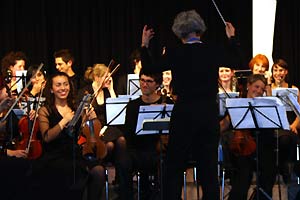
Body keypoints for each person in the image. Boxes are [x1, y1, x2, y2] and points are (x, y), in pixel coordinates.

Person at [140, 9, 240, 199]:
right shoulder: (211, 50)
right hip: (208, 114)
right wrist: (231, 38)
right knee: (208, 168)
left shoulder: (175, 51)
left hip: (184, 113)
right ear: (200, 29)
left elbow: (150, 68)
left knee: (175, 165)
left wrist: (145, 45)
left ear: (179, 32)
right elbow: (236, 60)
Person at [35, 71, 106, 200]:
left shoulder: (75, 107)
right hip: (54, 156)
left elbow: (83, 132)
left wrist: (91, 118)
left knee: (99, 171)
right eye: (58, 85)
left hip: (75, 153)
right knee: (71, 171)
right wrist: (63, 121)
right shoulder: (45, 110)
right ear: (51, 89)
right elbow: (46, 137)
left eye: (65, 84)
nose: (63, 88)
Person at [220, 74, 276, 200]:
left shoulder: (265, 106)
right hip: (240, 149)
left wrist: (270, 96)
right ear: (248, 86)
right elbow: (225, 124)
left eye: (262, 89)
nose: (259, 91)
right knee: (243, 171)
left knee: (269, 169)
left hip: (260, 148)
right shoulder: (236, 104)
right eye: (256, 86)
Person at [120, 69, 174, 199]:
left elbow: (175, 130)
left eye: (149, 81)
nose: (144, 84)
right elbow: (128, 133)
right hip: (139, 150)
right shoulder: (133, 106)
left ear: (157, 84)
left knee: (168, 161)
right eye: (142, 80)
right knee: (123, 161)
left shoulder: (168, 104)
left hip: (160, 151)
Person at [0, 75, 32, 200]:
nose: (9, 94)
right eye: (6, 91)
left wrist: (28, 114)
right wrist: (9, 152)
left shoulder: (9, 109)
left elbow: (17, 132)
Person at [270, 58, 299, 184]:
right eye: (275, 70)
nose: (278, 73)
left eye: (280, 70)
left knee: (285, 139)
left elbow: (299, 112)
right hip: (272, 124)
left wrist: (294, 125)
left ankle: (284, 167)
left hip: (289, 125)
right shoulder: (267, 88)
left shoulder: (295, 89)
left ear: (286, 72)